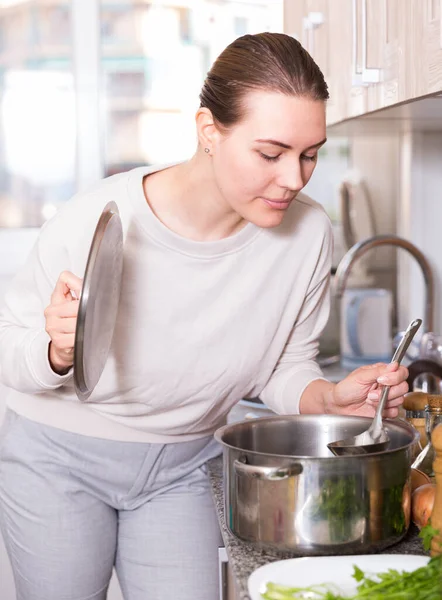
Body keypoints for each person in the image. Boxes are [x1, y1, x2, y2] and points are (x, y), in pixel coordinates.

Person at [0, 32, 408, 600]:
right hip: (58, 458)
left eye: (309, 154)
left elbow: (284, 366)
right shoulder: (100, 214)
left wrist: (327, 398)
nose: (293, 178)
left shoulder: (309, 233)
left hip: (185, 466)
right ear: (208, 131)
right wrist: (54, 352)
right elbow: (9, 353)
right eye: (270, 154)